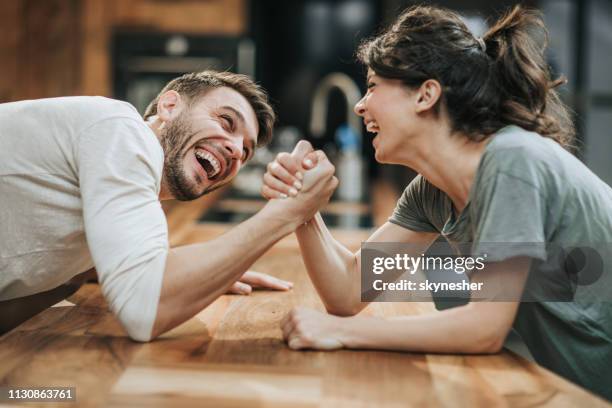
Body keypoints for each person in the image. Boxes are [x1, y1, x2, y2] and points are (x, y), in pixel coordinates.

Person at [261, 5, 612, 400]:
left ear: (426, 95)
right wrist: (303, 209)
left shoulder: (513, 160)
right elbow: (348, 291)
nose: (361, 106)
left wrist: (340, 333)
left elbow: (484, 329)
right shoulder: (434, 192)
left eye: (374, 86)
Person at [0, 70, 338, 342]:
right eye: (225, 121)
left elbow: (358, 289)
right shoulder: (120, 129)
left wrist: (206, 269)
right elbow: (142, 310)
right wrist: (289, 211)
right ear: (169, 106)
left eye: (246, 152)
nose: (236, 150)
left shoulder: (116, 156)